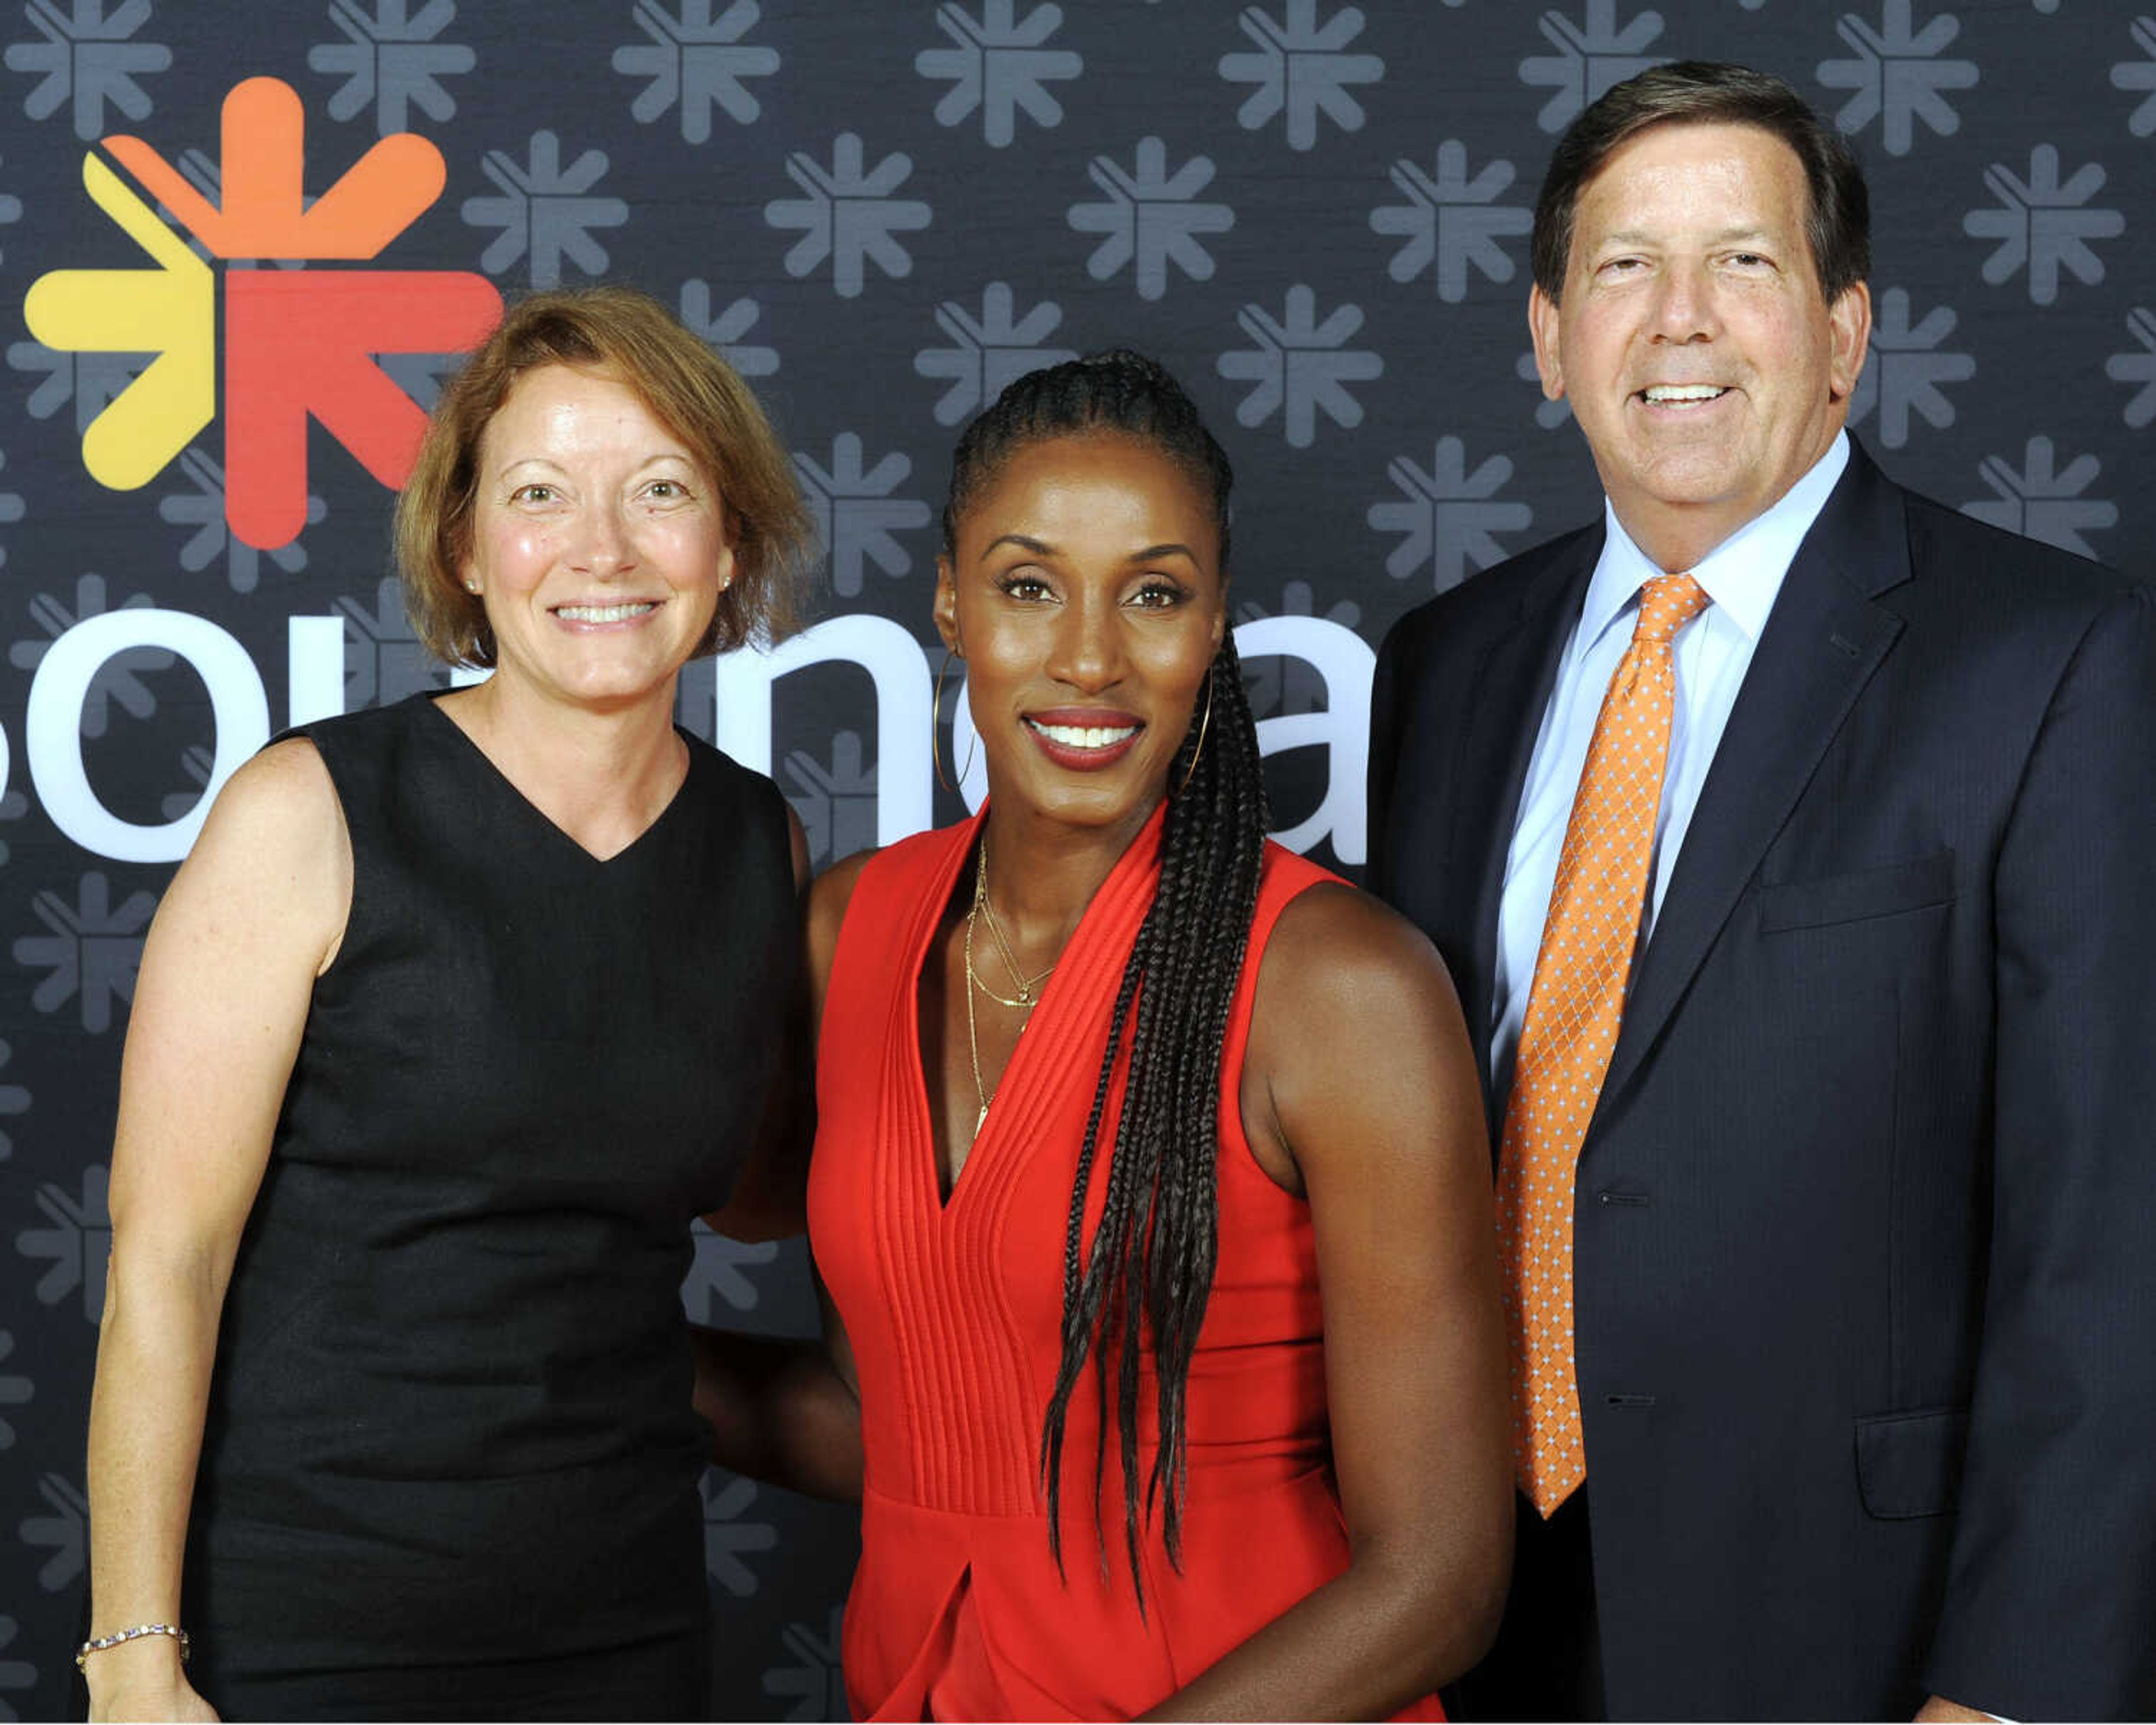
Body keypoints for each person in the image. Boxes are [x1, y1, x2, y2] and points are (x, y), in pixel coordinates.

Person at [1367, 60, 2156, 1723]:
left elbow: (2107, 1239)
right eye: (1625, 267)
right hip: (1462, 1609)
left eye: (1744, 262)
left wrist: (2015, 1691)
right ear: (1546, 334)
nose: (1680, 322)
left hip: (1845, 1629)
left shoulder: (2050, 660)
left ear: (1846, 329)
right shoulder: (1444, 668)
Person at [697, 351, 1512, 1719]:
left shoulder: (1337, 988)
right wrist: (570, 1355)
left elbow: (1441, 1577)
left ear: (1214, 625)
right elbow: (904, 1433)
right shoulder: (852, 930)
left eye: (1153, 593)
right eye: (1028, 586)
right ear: (950, 603)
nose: (1089, 656)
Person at [80, 285, 817, 1722]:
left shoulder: (757, 843)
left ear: (728, 542)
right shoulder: (309, 816)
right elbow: (169, 1262)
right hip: (304, 1629)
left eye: (660, 490)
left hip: (627, 1625)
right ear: (467, 545)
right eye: (541, 494)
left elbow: (751, 1196)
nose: (601, 549)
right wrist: (134, 1662)